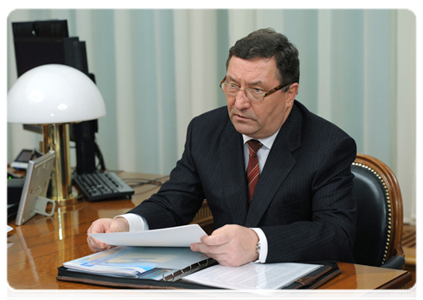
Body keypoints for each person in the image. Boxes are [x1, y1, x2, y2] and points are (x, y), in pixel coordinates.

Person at [87, 28, 357, 267]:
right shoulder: (205, 131)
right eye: (232, 85)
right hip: (224, 280)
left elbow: (337, 233)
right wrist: (124, 226)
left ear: (290, 93)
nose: (239, 102)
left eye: (256, 90)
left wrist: (256, 243)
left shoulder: (328, 146)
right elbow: (172, 203)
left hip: (299, 283)